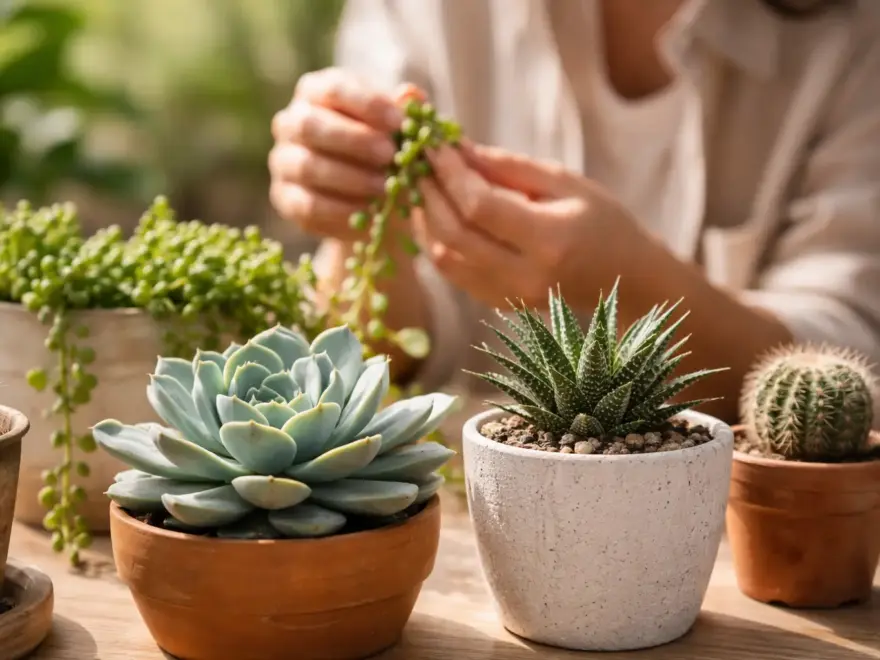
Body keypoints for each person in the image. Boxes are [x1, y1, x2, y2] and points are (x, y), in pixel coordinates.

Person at [268, 0, 880, 424]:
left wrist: (635, 287)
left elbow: (849, 361)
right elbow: (390, 350)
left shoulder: (853, 37)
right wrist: (354, 214)